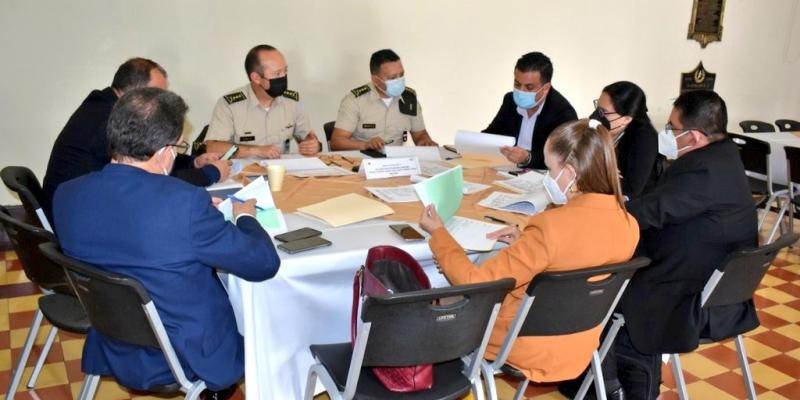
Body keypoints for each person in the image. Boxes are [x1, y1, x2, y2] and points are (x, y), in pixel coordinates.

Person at [53, 87, 280, 399]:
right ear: (164, 152)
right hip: (184, 353)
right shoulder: (183, 204)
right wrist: (244, 217)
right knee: (272, 314)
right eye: (178, 146)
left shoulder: (67, 194)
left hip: (112, 339)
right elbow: (263, 264)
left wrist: (198, 223)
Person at [419, 119, 639, 388]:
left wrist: (439, 235)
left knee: (442, 300)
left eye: (550, 169)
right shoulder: (629, 223)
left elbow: (474, 282)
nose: (548, 177)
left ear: (570, 173)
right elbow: (576, 257)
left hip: (523, 344)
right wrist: (526, 241)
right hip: (582, 343)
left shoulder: (550, 227)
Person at [613, 90, 758, 399]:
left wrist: (606, 206)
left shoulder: (700, 169)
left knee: (603, 286)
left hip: (687, 292)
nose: (666, 135)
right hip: (722, 287)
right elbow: (664, 206)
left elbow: (651, 212)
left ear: (692, 137)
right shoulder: (725, 156)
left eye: (671, 129)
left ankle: (625, 386)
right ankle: (600, 381)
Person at [42, 58, 231, 223]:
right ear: (137, 94)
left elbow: (149, 158)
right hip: (82, 218)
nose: (162, 103)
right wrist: (210, 173)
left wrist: (194, 162)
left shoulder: (105, 106)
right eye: (157, 95)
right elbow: (149, 179)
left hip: (81, 207)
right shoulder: (107, 122)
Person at [204, 44, 321, 158]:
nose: (284, 76)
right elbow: (213, 148)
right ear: (256, 78)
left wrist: (313, 145)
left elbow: (307, 138)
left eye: (285, 71)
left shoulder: (292, 101)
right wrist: (255, 151)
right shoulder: (229, 105)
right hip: (242, 173)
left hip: (282, 172)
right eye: (277, 73)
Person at [484, 52, 577, 169]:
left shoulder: (563, 112)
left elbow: (563, 158)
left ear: (546, 88)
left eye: (529, 87)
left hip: (543, 178)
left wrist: (527, 158)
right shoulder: (510, 101)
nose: (521, 91)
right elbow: (493, 133)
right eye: (517, 84)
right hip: (507, 171)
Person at [330, 49, 437, 150]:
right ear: (375, 79)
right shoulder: (355, 101)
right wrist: (366, 145)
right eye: (392, 78)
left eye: (401, 75)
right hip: (363, 161)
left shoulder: (409, 99)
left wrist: (425, 141)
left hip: (397, 162)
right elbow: (337, 142)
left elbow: (420, 134)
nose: (399, 81)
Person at [588, 81, 662, 198]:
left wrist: (602, 174)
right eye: (597, 108)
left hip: (632, 206)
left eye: (604, 112)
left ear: (626, 119)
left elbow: (631, 190)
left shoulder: (644, 140)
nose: (595, 115)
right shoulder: (598, 129)